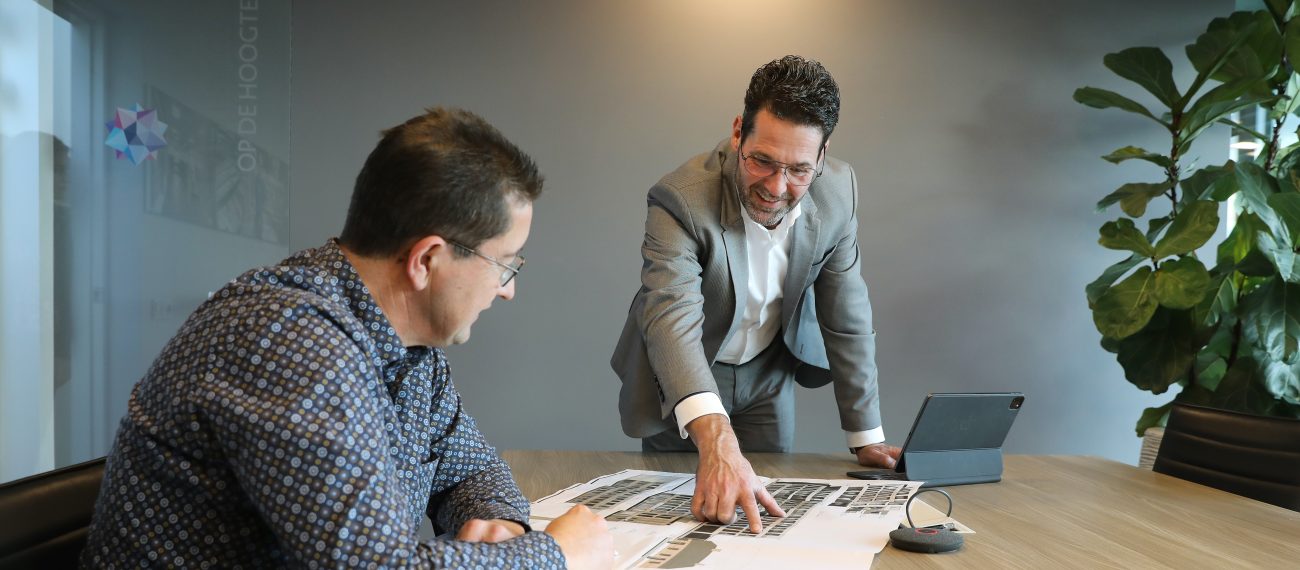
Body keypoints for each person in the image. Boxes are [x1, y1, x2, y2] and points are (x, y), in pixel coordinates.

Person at [81, 108, 613, 569]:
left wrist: (501, 525)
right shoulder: (290, 340)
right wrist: (554, 555)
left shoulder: (413, 351)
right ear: (427, 260)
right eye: (505, 264)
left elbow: (469, 469)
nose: (507, 290)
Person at [611, 55, 901, 533]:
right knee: (680, 516)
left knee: (765, 519)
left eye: (799, 170)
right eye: (762, 160)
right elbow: (670, 316)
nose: (776, 187)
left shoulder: (839, 192)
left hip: (769, 377)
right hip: (687, 370)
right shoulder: (680, 197)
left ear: (822, 157)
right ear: (737, 134)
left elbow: (846, 314)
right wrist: (715, 435)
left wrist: (865, 435)